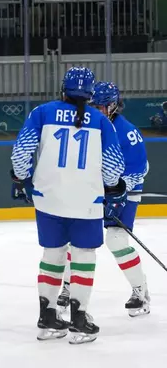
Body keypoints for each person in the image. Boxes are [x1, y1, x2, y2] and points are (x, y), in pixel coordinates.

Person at [10, 67, 126, 344]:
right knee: (84, 255)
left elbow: (21, 152)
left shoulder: (42, 112)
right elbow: (113, 166)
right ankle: (79, 319)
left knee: (52, 254)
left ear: (63, 88)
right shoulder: (100, 120)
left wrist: (22, 179)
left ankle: (47, 318)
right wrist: (112, 188)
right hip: (86, 200)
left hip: (48, 198)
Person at [56, 82, 150, 317]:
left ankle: (141, 292)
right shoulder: (87, 125)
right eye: (93, 105)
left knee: (117, 240)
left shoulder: (126, 130)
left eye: (102, 106)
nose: (97, 110)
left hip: (126, 191)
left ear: (114, 105)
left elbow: (140, 168)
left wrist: (117, 193)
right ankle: (69, 287)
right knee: (77, 240)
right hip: (95, 189)